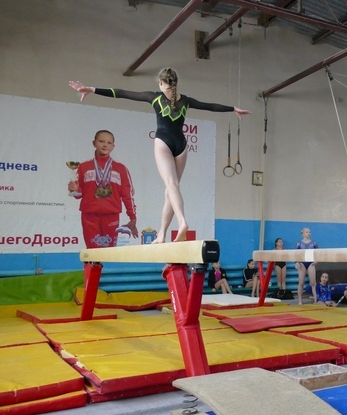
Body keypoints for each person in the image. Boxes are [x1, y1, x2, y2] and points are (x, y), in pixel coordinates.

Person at [69, 69, 250, 244]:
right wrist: (233, 108)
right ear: (176, 83)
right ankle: (162, 234)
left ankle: (182, 222)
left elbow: (122, 93)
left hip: (164, 142)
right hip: (181, 145)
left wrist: (92, 89)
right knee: (171, 189)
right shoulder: (186, 100)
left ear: (161, 83)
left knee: (171, 185)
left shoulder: (155, 97)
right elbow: (210, 106)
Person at [68, 130, 138, 248]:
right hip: (89, 216)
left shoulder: (121, 169)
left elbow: (127, 196)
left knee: (109, 251)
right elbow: (78, 195)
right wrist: (74, 190)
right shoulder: (83, 167)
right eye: (101, 141)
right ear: (94, 143)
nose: (105, 145)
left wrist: (132, 217)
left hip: (111, 216)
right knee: (93, 251)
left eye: (109, 143)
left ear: (113, 146)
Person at [295, 227, 319, 305]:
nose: (309, 233)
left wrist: (316, 261)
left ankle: (315, 300)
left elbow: (318, 253)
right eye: (307, 232)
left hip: (311, 263)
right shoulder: (299, 243)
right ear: (302, 233)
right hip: (302, 263)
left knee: (313, 283)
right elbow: (296, 254)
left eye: (309, 232)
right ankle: (300, 300)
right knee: (301, 282)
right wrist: (297, 262)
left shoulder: (314, 243)